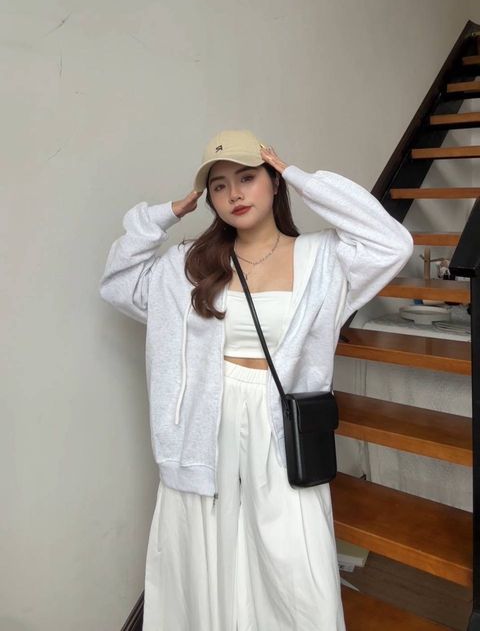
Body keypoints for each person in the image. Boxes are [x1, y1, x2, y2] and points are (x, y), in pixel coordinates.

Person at [99, 129, 414, 630]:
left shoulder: (324, 258)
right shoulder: (189, 265)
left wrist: (303, 178)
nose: (235, 194)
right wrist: (164, 215)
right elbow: (119, 283)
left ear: (273, 181)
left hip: (279, 420)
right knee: (209, 546)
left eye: (247, 178)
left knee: (294, 556)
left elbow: (392, 241)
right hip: (205, 422)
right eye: (219, 186)